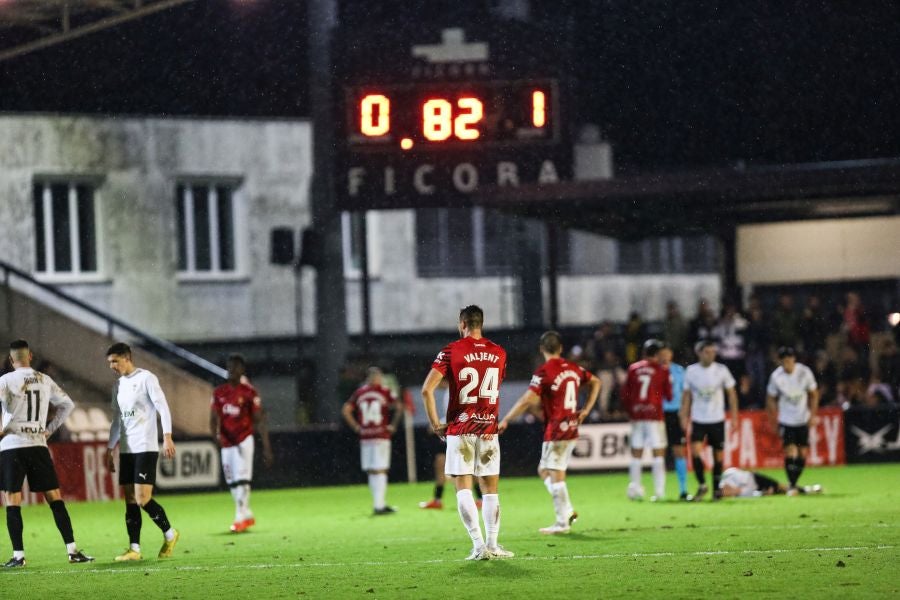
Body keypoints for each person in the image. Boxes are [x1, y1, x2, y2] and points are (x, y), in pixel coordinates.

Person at [421, 305, 512, 561]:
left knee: (463, 487)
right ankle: (493, 544)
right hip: (488, 429)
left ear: (462, 324)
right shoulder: (499, 352)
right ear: (480, 324)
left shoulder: (451, 351)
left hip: (461, 428)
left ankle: (478, 546)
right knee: (490, 489)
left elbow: (427, 390)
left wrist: (436, 423)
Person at [0, 339, 93, 567]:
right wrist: (49, 430)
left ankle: (19, 556)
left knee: (12, 500)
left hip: (11, 445)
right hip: (37, 444)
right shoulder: (44, 379)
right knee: (54, 498)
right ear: (30, 356)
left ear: (12, 360)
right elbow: (67, 405)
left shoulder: (4, 380)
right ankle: (72, 551)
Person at [498, 331, 600, 534]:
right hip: (571, 427)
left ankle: (562, 523)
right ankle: (567, 510)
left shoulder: (544, 372)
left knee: (555, 474)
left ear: (541, 349)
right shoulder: (573, 368)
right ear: (561, 348)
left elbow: (527, 400)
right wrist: (586, 409)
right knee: (544, 470)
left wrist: (507, 419)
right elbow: (596, 381)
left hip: (556, 430)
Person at [105, 342, 180, 561]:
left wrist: (167, 437)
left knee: (142, 498)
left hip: (145, 447)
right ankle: (134, 549)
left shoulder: (147, 378)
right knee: (130, 499)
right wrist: (110, 449)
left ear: (127, 358)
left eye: (114, 361)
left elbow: (162, 407)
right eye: (109, 362)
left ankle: (170, 533)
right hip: (127, 450)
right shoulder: (117, 386)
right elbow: (117, 420)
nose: (111, 366)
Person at [211, 354, 274, 532]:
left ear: (242, 370)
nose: (231, 370)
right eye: (229, 367)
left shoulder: (249, 392)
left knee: (242, 478)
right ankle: (246, 513)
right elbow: (213, 418)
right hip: (226, 442)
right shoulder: (219, 392)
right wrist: (215, 438)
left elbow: (259, 419)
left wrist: (267, 447)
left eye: (235, 367)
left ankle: (239, 517)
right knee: (231, 480)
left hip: (243, 440)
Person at [680, 340, 739, 501]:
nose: (711, 355)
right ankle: (702, 485)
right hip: (698, 419)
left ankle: (716, 490)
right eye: (707, 352)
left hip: (717, 419)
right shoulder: (691, 371)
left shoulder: (722, 370)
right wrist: (683, 416)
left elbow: (731, 394)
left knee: (718, 456)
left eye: (713, 352)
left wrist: (734, 416)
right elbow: (686, 396)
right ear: (699, 353)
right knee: (695, 452)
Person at [342, 367, 403, 515]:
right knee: (380, 469)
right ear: (377, 378)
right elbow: (399, 407)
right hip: (381, 435)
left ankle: (378, 504)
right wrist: (393, 425)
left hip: (366, 436)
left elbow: (346, 409)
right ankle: (379, 506)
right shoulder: (384, 391)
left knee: (371, 470)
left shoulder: (360, 392)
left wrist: (357, 427)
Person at [621, 339, 671, 501]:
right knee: (658, 454)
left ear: (643, 352)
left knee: (636, 454)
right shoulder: (662, 370)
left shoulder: (633, 369)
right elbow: (669, 396)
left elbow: (625, 394)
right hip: (655, 417)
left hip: (637, 417)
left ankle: (635, 489)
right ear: (657, 354)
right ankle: (659, 492)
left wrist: (632, 410)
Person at [765, 347, 819, 495]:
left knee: (802, 454)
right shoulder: (776, 376)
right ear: (780, 361)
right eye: (784, 361)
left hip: (802, 419)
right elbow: (770, 398)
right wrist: (773, 419)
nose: (787, 364)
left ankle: (792, 483)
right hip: (786, 420)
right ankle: (793, 485)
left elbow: (814, 394)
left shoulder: (805, 372)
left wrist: (813, 415)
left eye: (789, 360)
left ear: (794, 359)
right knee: (790, 452)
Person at [659, 345, 689, 500]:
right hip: (659, 414)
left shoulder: (679, 371)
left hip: (675, 414)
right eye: (661, 354)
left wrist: (684, 414)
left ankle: (684, 490)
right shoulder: (654, 371)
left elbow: (686, 394)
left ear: (671, 354)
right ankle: (660, 491)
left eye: (667, 353)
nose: (664, 356)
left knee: (679, 451)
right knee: (659, 453)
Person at [718, 467, 822, 498]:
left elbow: (740, 472)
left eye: (725, 492)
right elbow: (752, 494)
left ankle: (807, 489)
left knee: (781, 486)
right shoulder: (738, 495)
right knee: (780, 490)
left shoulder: (728, 476)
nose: (727, 493)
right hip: (756, 486)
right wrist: (763, 493)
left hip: (755, 478)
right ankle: (810, 489)